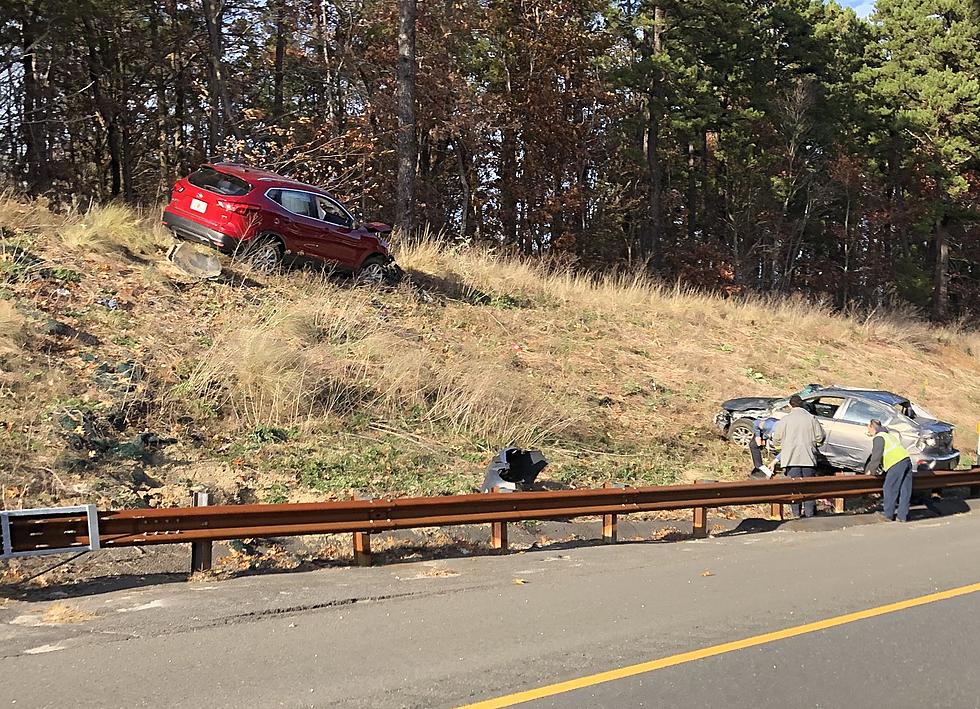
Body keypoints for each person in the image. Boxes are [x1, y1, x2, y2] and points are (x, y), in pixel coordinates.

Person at [772, 394, 826, 517]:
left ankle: (796, 514)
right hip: (808, 458)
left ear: (790, 405)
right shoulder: (811, 418)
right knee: (809, 488)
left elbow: (776, 439)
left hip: (791, 459)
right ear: (802, 404)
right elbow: (820, 437)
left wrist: (783, 448)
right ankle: (810, 514)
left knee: (794, 488)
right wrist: (815, 445)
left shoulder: (785, 420)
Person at [864, 419, 914, 522]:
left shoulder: (879, 437)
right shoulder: (889, 435)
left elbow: (876, 456)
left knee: (889, 488)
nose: (868, 431)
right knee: (905, 490)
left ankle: (888, 515)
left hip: (896, 463)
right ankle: (902, 516)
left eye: (868, 428)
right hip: (906, 460)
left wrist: (871, 471)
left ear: (872, 427)